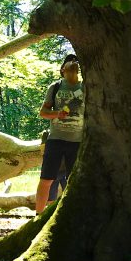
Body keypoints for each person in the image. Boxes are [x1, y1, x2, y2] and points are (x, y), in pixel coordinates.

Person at [35, 54, 84, 213]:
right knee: (46, 179)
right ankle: (38, 216)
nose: (72, 68)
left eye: (75, 65)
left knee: (73, 182)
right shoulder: (55, 87)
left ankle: (71, 215)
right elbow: (43, 112)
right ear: (62, 70)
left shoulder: (85, 87)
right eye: (69, 65)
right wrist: (57, 114)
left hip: (77, 142)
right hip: (55, 139)